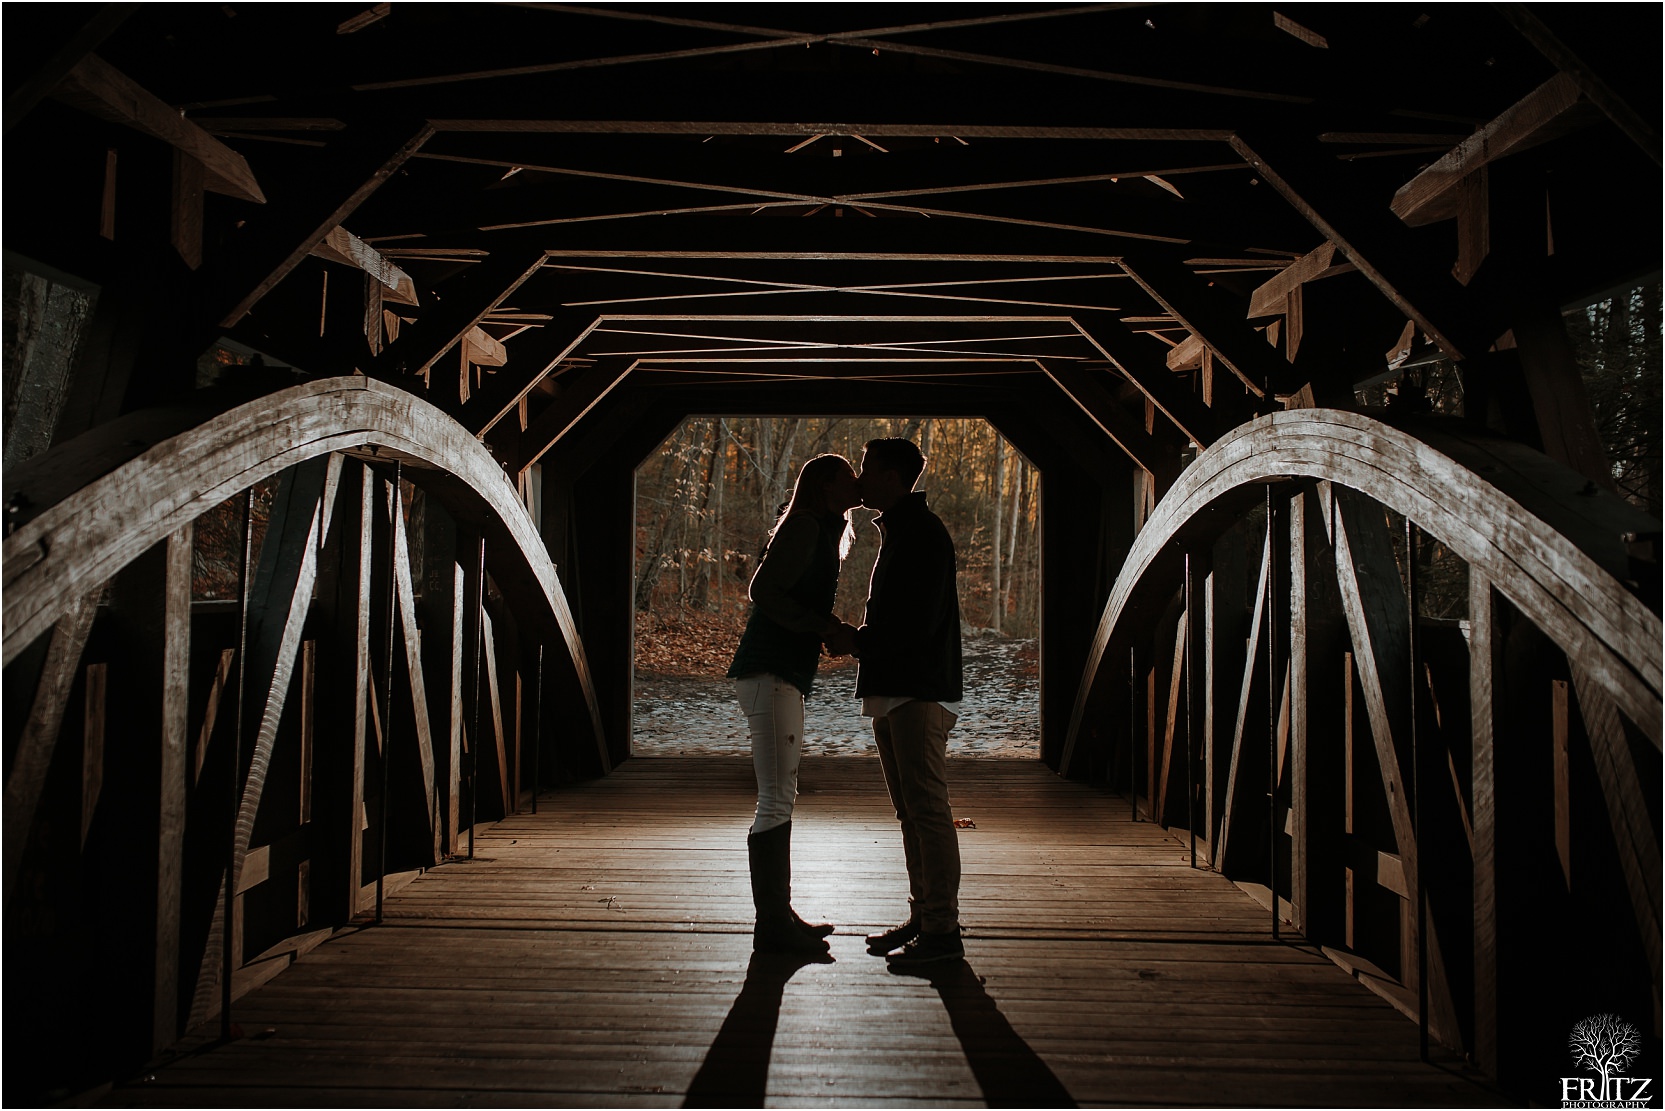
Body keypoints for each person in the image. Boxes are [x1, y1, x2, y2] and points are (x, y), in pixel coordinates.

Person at [825, 438, 965, 968]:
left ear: (890, 476)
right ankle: (925, 916)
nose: (859, 479)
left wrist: (857, 641)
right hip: (897, 686)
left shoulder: (923, 535)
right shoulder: (903, 529)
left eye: (866, 469)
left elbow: (916, 625)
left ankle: (943, 934)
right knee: (911, 813)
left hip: (916, 688)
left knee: (928, 811)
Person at [726, 453, 861, 956]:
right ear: (828, 484)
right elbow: (762, 589)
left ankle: (779, 918)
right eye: (851, 475)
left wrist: (821, 625)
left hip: (781, 671)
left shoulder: (822, 527)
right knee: (776, 796)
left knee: (781, 791)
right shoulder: (805, 525)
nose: (859, 481)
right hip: (770, 669)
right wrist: (823, 626)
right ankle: (773, 929)